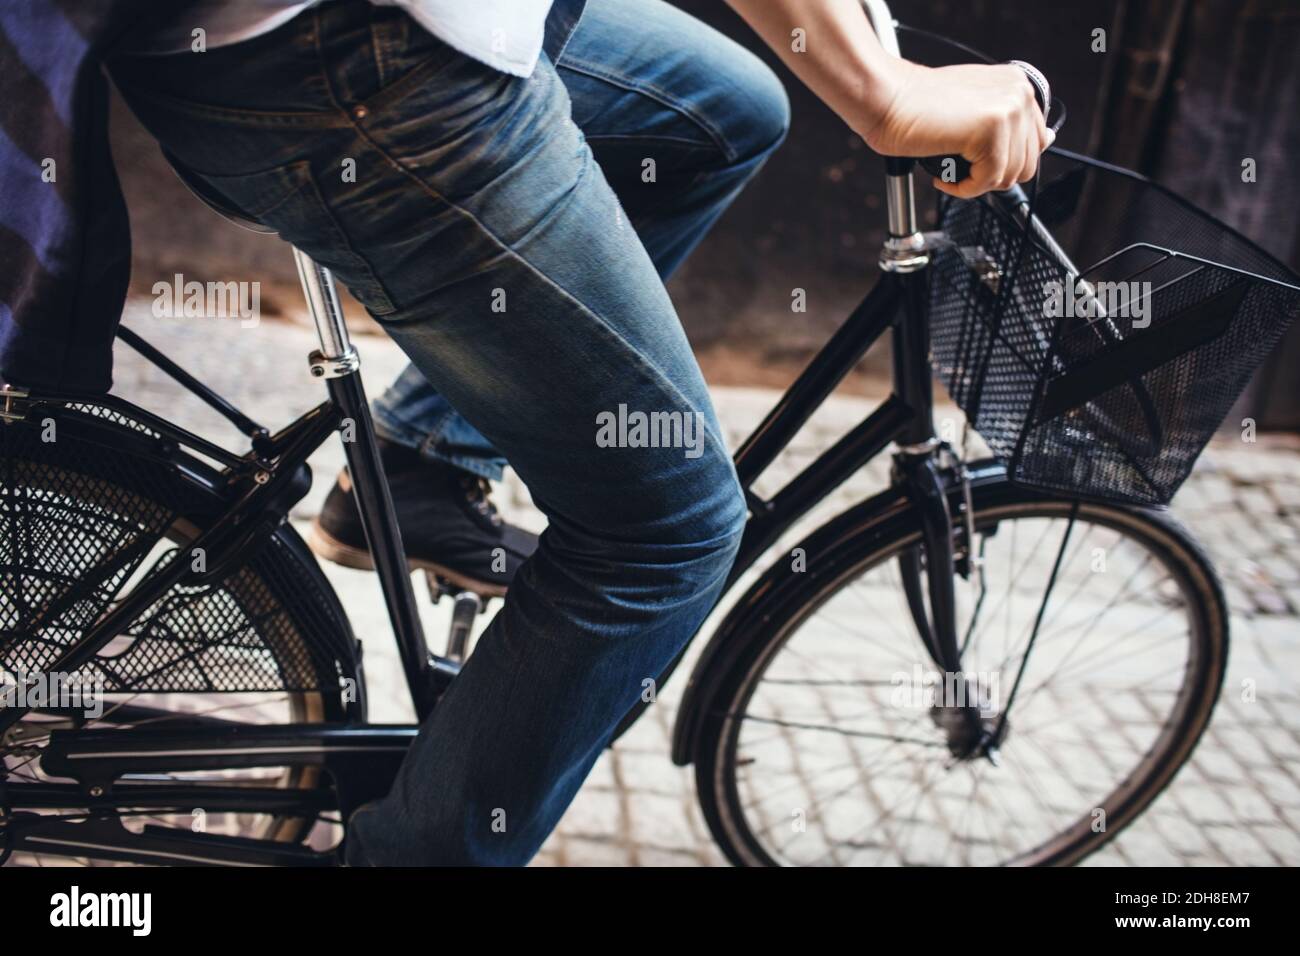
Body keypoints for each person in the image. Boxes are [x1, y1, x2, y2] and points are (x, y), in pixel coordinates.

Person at [107, 0, 1050, 865]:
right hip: (344, 59)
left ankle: (424, 460)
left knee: (733, 114)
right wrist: (886, 93)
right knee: (665, 535)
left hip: (409, 28)